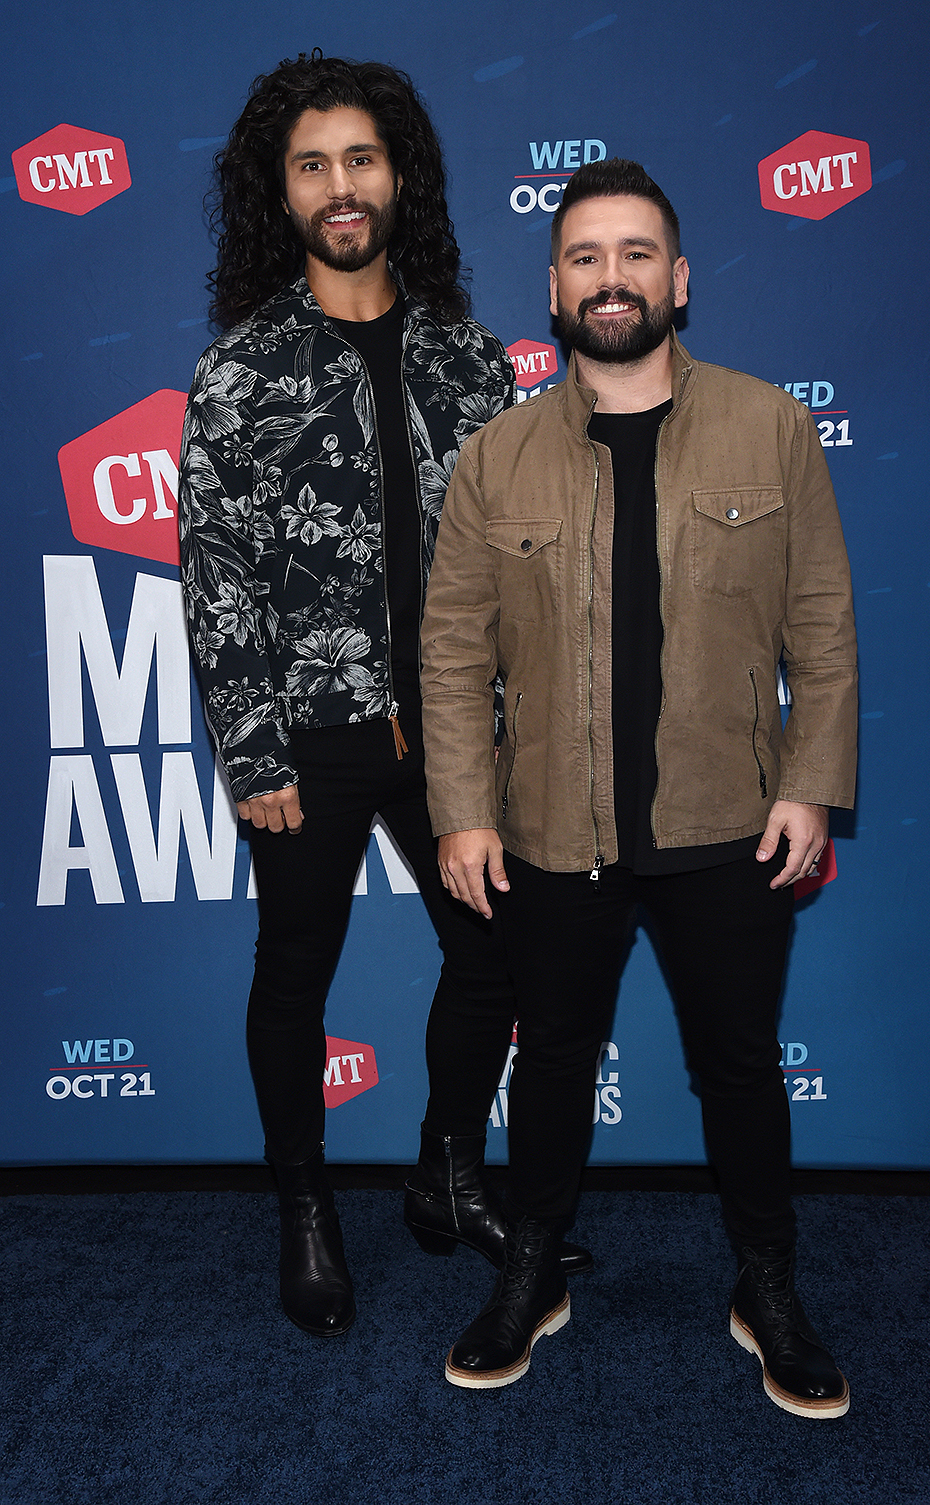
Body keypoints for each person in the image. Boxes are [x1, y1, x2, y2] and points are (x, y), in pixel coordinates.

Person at [420, 158, 857, 1412]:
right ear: (552, 286)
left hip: (729, 819)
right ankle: (533, 1271)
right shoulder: (495, 456)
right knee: (551, 1058)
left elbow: (819, 624)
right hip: (552, 825)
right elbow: (450, 653)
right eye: (583, 256)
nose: (609, 278)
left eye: (634, 253)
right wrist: (462, 808)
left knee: (740, 1064)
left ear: (679, 277)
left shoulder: (769, 425)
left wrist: (812, 784)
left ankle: (764, 1282)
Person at [177, 51, 589, 1341]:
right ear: (280, 192)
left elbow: (520, 561)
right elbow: (218, 575)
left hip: (463, 728)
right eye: (313, 165)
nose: (341, 186)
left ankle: (442, 1170)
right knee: (295, 968)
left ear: (398, 176)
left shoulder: (473, 362)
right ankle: (304, 1203)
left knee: (498, 953)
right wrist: (254, 750)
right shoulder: (238, 374)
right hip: (312, 732)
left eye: (361, 159)